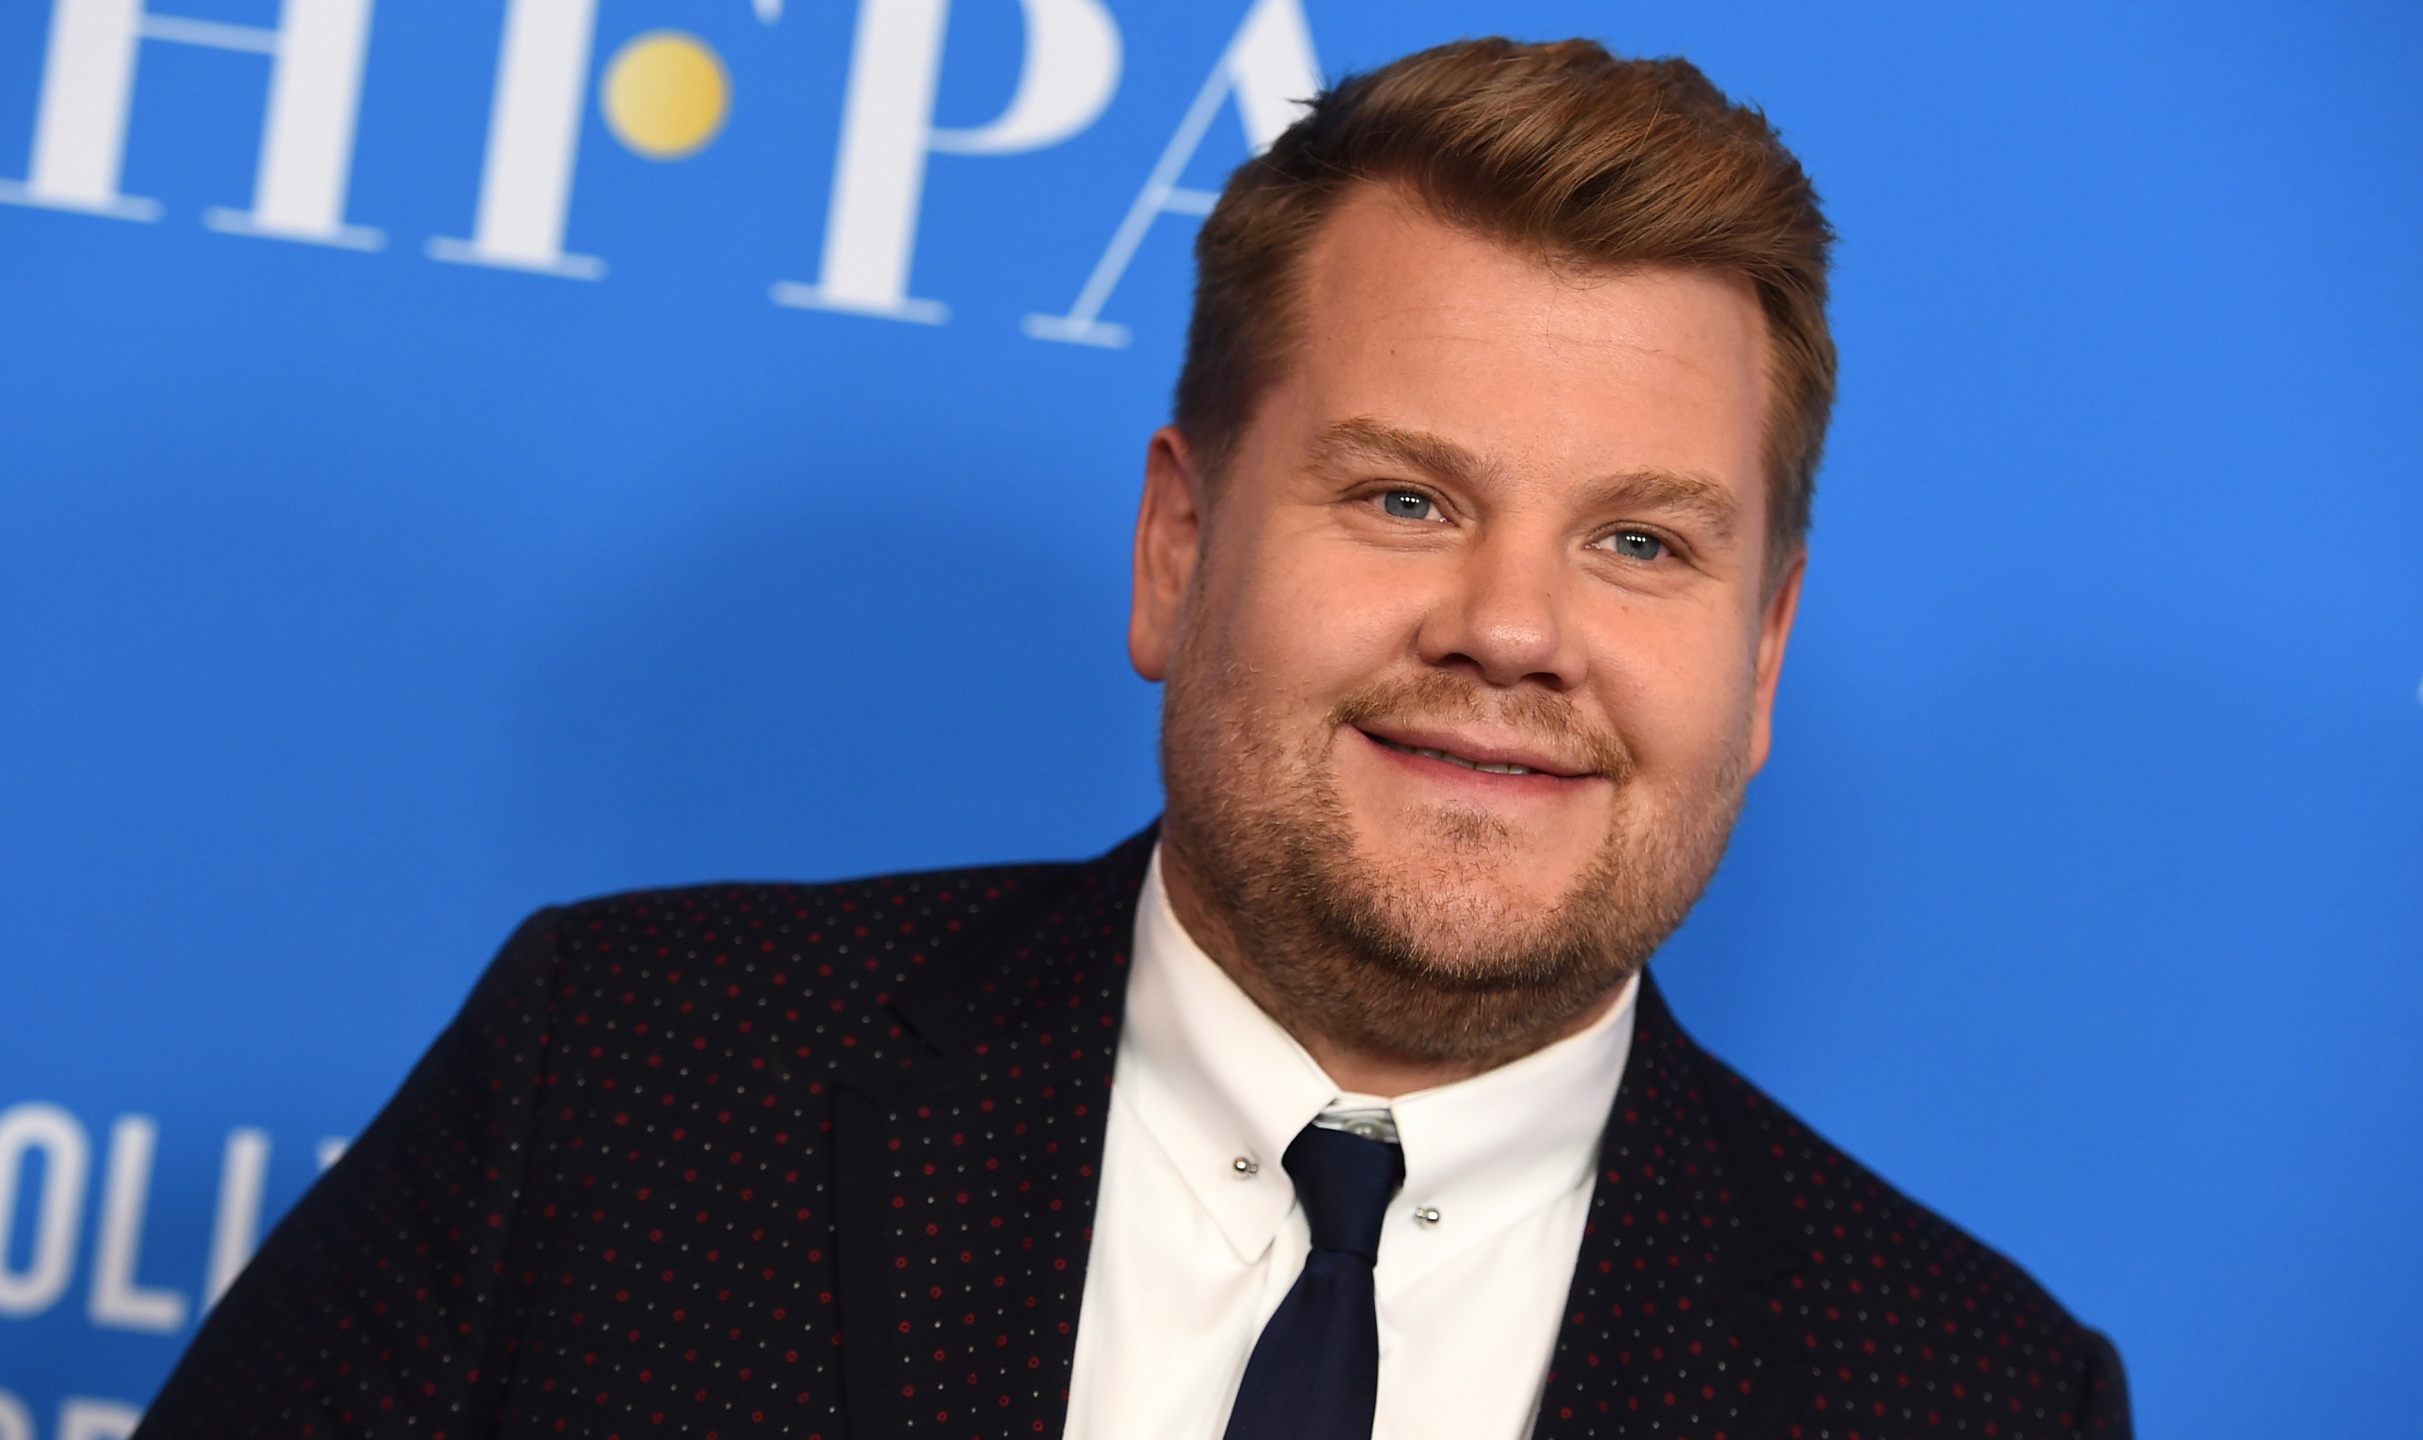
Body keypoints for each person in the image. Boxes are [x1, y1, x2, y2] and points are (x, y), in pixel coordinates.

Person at [137, 35, 2130, 1440]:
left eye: (1637, 541)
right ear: (1177, 547)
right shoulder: (623, 1086)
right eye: (1403, 500)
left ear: (1759, 656)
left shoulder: (1964, 1395)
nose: (1511, 629)